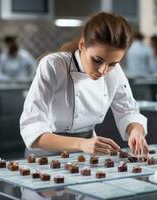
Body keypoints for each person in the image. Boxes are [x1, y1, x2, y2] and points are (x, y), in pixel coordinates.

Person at [20, 12, 148, 157]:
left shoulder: (114, 71)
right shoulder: (53, 65)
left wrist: (135, 131)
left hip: (87, 153)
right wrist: (82, 143)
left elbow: (128, 111)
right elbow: (32, 128)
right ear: (82, 45)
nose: (103, 70)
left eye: (112, 64)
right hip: (45, 154)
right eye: (97, 60)